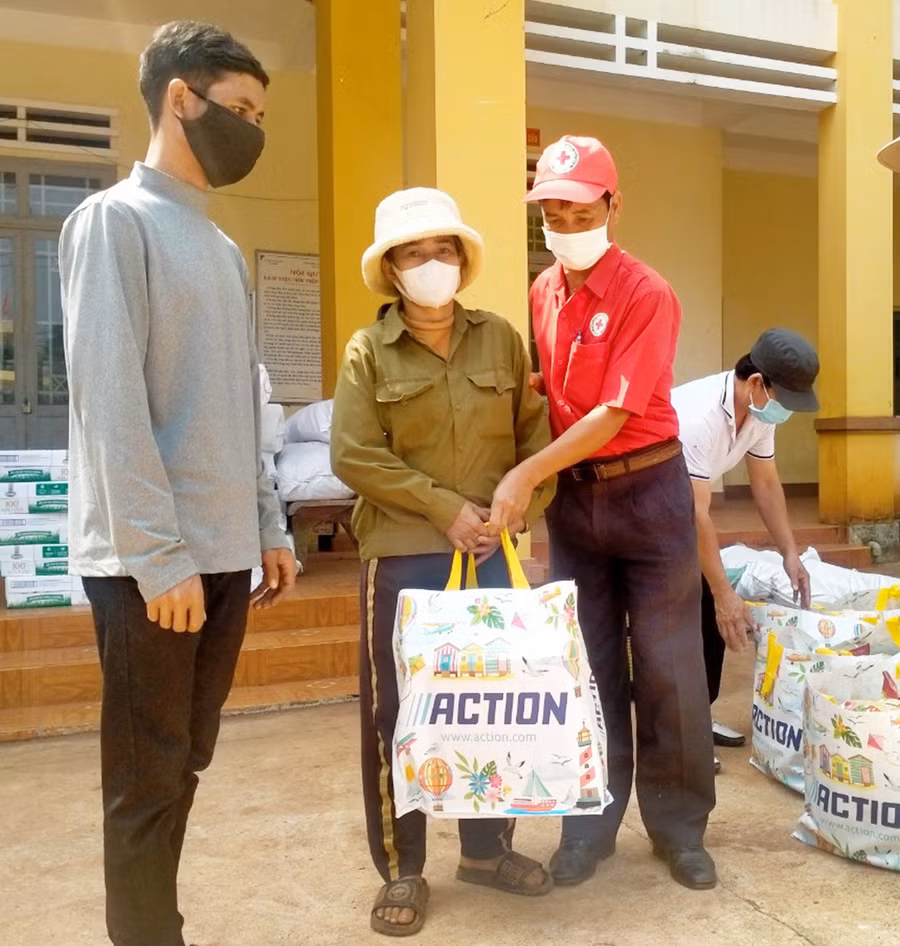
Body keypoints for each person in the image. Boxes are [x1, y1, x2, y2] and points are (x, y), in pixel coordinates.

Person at [59, 21, 296, 946]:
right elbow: (109, 406)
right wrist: (159, 560)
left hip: (227, 555)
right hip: (149, 570)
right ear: (178, 99)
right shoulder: (112, 224)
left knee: (184, 762)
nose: (250, 129)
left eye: (260, 115)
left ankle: (160, 924)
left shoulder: (223, 250)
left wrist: (270, 526)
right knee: (145, 776)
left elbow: (244, 404)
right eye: (239, 110)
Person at [487, 136, 717, 890]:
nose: (562, 223)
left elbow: (615, 412)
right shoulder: (540, 291)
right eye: (551, 212)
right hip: (578, 502)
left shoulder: (647, 292)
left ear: (613, 206)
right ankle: (588, 826)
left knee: (668, 668)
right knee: (583, 673)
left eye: (578, 210)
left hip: (650, 496)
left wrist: (523, 475)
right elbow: (547, 396)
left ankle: (680, 828)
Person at [331, 187, 556, 936]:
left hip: (491, 554)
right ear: (391, 270)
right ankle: (402, 866)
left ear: (462, 259)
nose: (432, 263)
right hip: (405, 555)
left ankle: (487, 851)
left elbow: (535, 441)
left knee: (493, 708)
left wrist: (515, 511)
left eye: (444, 249)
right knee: (398, 713)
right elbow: (354, 453)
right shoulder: (369, 350)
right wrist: (442, 508)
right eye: (414, 252)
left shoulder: (500, 340)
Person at [672, 330, 819, 768]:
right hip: (649, 511)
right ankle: (681, 738)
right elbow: (696, 514)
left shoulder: (759, 415)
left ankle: (698, 716)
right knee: (685, 611)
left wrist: (790, 552)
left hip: (686, 511)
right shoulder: (699, 417)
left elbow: (767, 484)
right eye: (784, 398)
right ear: (756, 383)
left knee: (708, 619)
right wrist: (722, 593)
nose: (785, 411)